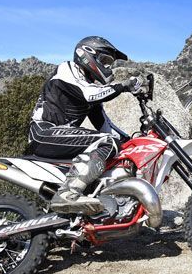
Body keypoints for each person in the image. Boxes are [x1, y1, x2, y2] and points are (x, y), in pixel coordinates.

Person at [28, 36, 145, 214]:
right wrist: (124, 86)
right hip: (44, 132)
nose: (107, 67)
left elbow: (105, 126)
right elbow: (90, 95)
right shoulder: (67, 69)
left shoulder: (88, 85)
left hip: (59, 136)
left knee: (112, 142)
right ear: (87, 55)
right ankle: (68, 193)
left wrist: (131, 142)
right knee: (106, 142)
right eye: (105, 61)